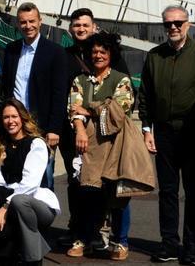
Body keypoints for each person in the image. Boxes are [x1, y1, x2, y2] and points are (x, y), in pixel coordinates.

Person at [138, 5, 195, 265]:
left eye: (178, 23)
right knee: (168, 191)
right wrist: (147, 128)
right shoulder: (154, 56)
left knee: (194, 191)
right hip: (163, 132)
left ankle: (192, 248)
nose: (173, 27)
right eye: (168, 24)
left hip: (193, 133)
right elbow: (146, 95)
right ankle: (169, 244)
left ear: (188, 24)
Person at [66, 33, 138, 261]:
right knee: (87, 192)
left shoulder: (121, 80)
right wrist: (79, 129)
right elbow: (73, 109)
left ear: (110, 54)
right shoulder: (80, 81)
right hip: (89, 143)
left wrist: (89, 110)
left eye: (102, 52)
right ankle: (85, 238)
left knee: (118, 194)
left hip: (116, 144)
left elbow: (120, 111)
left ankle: (120, 241)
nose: (97, 56)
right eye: (94, 52)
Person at [0, 100, 60, 266]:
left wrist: (5, 205)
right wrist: (0, 199)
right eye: (6, 117)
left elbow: (30, 183)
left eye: (14, 116)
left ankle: (34, 259)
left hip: (36, 203)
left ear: (23, 118)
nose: (10, 121)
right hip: (7, 195)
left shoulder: (36, 143)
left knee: (18, 202)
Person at [0, 2, 67, 186]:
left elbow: (59, 93)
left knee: (44, 177)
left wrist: (54, 128)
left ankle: (44, 214)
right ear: (18, 24)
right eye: (23, 22)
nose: (28, 26)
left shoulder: (55, 52)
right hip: (15, 124)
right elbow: (6, 86)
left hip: (42, 125)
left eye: (32, 21)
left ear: (40, 22)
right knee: (13, 173)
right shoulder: (11, 50)